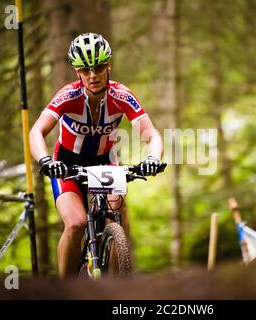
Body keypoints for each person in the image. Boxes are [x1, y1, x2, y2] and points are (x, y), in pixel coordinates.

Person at [29, 32, 164, 278]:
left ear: (108, 66)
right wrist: (46, 161)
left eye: (99, 67)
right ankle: (66, 288)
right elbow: (37, 131)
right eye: (85, 69)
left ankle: (116, 283)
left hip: (105, 160)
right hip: (67, 163)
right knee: (77, 222)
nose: (93, 75)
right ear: (77, 72)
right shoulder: (68, 96)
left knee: (119, 210)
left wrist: (152, 159)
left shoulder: (122, 96)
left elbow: (151, 134)